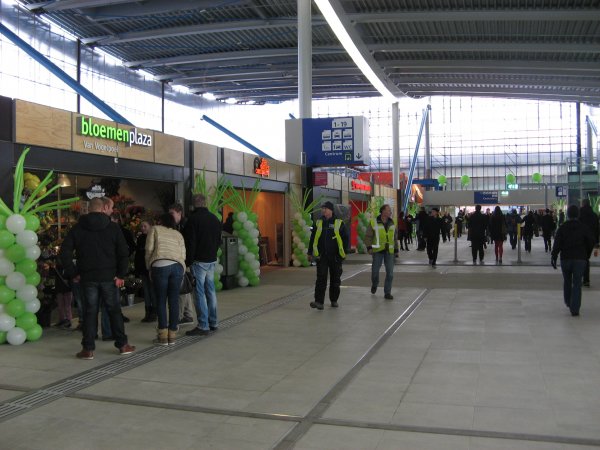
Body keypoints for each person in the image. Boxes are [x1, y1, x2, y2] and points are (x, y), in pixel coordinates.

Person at [59, 197, 135, 360]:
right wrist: (121, 274)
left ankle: (88, 349)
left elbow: (64, 252)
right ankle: (123, 345)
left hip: (87, 277)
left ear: (88, 209)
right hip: (109, 277)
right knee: (114, 310)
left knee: (89, 312)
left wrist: (74, 273)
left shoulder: (78, 228)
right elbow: (123, 253)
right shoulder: (113, 228)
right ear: (103, 209)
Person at [184, 194, 222, 336]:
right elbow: (219, 240)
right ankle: (213, 322)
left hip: (198, 262)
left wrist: (188, 261)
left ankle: (203, 325)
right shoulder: (214, 219)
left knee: (199, 293)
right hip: (211, 260)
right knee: (210, 291)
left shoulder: (192, 220)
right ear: (205, 203)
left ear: (193, 205)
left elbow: (191, 242)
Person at [146, 213, 186, 345]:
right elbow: (183, 254)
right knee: (174, 300)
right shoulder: (178, 234)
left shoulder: (155, 229)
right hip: (177, 267)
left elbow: (149, 249)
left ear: (160, 221)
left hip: (160, 265)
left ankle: (162, 336)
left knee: (161, 300)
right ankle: (173, 334)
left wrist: (149, 267)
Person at [551, 205, 594, 316]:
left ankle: (568, 301)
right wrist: (587, 254)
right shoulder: (583, 228)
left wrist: (554, 256)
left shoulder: (562, 227)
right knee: (577, 283)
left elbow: (557, 244)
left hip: (566, 258)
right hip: (580, 259)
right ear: (578, 214)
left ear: (568, 214)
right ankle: (575, 308)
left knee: (567, 281)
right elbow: (590, 241)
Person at [307, 201, 349, 310]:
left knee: (335, 279)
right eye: (322, 209)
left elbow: (345, 239)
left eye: (325, 208)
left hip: (335, 256)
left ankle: (334, 300)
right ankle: (318, 302)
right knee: (321, 279)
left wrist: (344, 253)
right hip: (322, 256)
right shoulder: (318, 222)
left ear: (331, 210)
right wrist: (309, 252)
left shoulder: (339, 223)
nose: (323, 210)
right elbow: (312, 238)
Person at [169, 202, 195, 325]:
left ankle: (178, 317)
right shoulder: (178, 225)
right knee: (186, 287)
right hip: (184, 260)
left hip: (184, 261)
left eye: (172, 213)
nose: (170, 216)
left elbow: (188, 245)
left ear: (179, 213)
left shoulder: (186, 225)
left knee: (181, 289)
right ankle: (188, 314)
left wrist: (186, 262)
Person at [365, 204, 396, 300]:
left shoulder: (392, 222)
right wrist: (369, 247)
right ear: (382, 211)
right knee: (375, 272)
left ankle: (387, 292)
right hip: (378, 250)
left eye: (390, 210)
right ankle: (375, 284)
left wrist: (397, 249)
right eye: (388, 210)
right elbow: (368, 236)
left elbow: (394, 237)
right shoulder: (374, 222)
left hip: (389, 251)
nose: (390, 212)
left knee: (390, 273)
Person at [135, 219, 156, 323]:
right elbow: (138, 255)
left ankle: (154, 313)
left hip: (151, 268)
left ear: (151, 226)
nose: (142, 228)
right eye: (141, 226)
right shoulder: (140, 238)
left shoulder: (153, 238)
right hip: (143, 268)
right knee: (146, 292)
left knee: (152, 291)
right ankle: (147, 312)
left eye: (145, 226)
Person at [579, 199, 599, 287]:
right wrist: (597, 241)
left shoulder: (579, 214)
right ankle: (586, 280)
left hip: (580, 240)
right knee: (586, 259)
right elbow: (597, 229)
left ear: (583, 204)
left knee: (580, 259)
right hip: (591, 240)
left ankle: (580, 278)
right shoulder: (594, 215)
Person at [52, 261, 72, 329]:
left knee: (67, 306)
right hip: (60, 288)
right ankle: (62, 319)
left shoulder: (68, 268)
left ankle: (68, 320)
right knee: (61, 306)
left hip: (67, 289)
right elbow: (51, 273)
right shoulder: (56, 267)